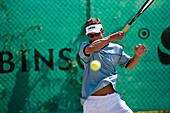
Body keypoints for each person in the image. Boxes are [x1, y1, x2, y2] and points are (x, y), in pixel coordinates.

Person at [79, 18, 148, 113]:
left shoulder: (116, 49)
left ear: (102, 31)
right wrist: (112, 37)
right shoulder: (85, 47)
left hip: (113, 101)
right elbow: (91, 48)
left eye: (97, 34)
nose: (94, 38)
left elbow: (129, 65)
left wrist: (137, 55)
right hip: (92, 103)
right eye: (91, 36)